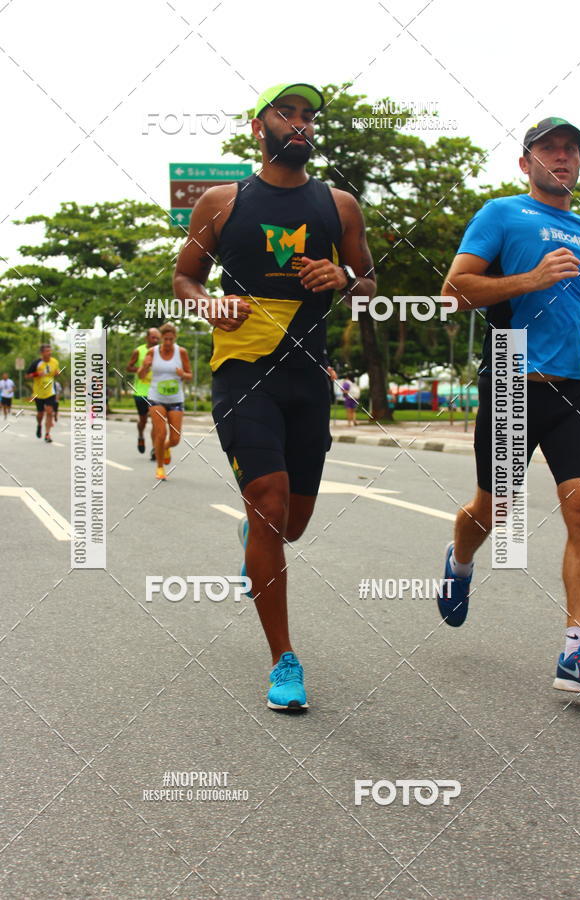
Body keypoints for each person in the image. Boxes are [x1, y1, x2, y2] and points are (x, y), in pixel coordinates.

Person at [173, 81, 376, 710]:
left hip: (307, 375)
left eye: (308, 116)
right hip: (243, 371)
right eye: (286, 113)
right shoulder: (220, 202)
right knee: (268, 498)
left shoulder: (338, 206)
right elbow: (184, 276)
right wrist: (209, 304)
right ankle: (284, 660)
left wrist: (344, 277)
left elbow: (369, 283)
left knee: (291, 524)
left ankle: (252, 543)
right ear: (259, 126)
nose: (300, 124)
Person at [437, 117, 580, 694]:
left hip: (576, 386)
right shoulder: (501, 213)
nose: (562, 157)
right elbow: (453, 292)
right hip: (513, 372)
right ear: (526, 163)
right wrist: (529, 279)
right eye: (549, 149)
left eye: (571, 150)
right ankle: (459, 561)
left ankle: (575, 653)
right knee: (496, 509)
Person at [138, 323, 192, 480]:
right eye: (165, 339)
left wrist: (183, 374)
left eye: (171, 339)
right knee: (160, 434)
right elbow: (141, 375)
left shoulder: (181, 352)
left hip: (176, 399)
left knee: (175, 439)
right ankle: (160, 467)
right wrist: (145, 367)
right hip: (156, 398)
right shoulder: (152, 352)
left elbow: (190, 375)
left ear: (175, 338)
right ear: (161, 338)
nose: (168, 342)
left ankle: (165, 448)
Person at [126, 328, 161, 456]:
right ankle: (141, 434)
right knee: (143, 420)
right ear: (147, 338)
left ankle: (154, 449)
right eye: (153, 337)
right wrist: (142, 368)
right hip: (141, 391)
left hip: (157, 391)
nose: (156, 340)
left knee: (156, 421)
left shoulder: (162, 351)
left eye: (158, 338)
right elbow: (128, 367)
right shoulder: (139, 351)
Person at [25, 344, 60, 442]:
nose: (50, 353)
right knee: (40, 413)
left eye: (50, 350)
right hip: (38, 392)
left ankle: (47, 434)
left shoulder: (55, 362)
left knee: (49, 411)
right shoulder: (36, 363)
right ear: (42, 353)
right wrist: (36, 374)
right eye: (47, 351)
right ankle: (39, 425)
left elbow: (55, 372)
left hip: (50, 391)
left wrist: (57, 373)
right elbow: (27, 376)